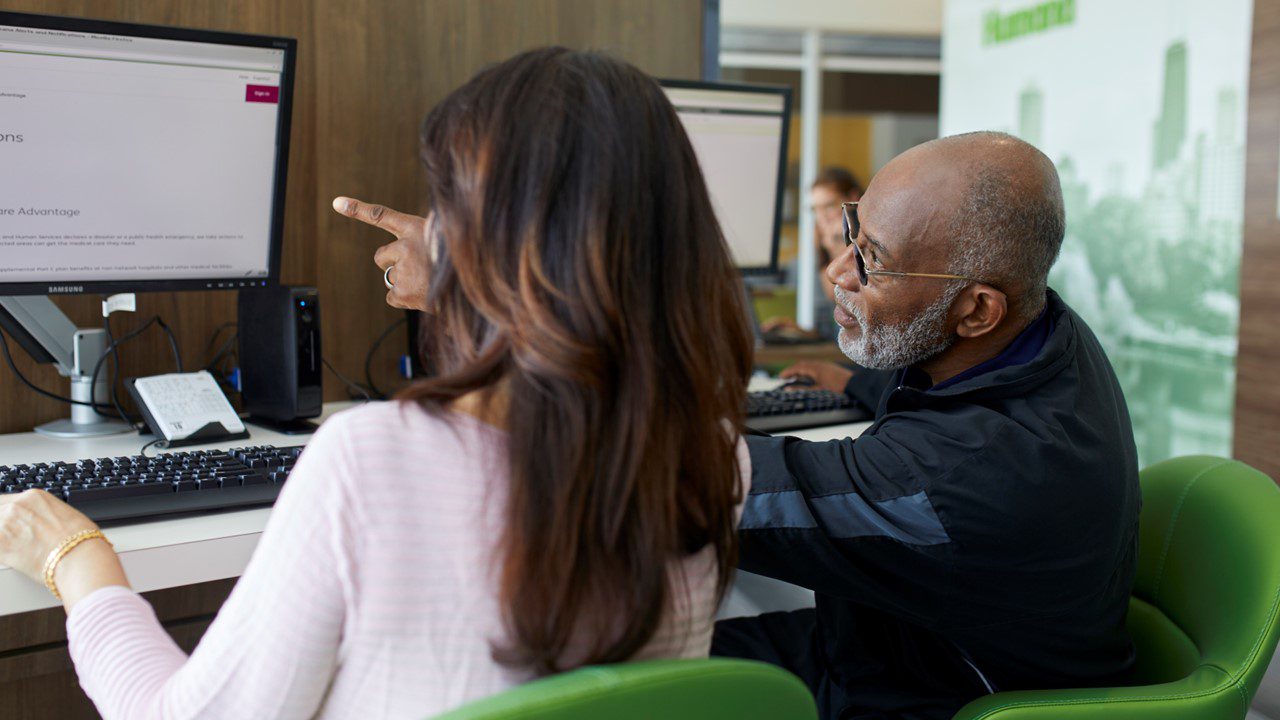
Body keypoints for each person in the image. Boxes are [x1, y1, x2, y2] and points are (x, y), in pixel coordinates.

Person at [0, 47, 755, 719]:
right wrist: (470, 283)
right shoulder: (713, 453)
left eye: (448, 203)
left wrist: (80, 560)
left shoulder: (375, 459)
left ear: (486, 240)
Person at [713, 131, 1141, 720]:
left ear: (976, 310)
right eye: (851, 234)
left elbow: (722, 493)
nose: (839, 272)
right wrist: (853, 383)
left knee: (625, 688)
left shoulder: (966, 476)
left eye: (873, 261)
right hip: (899, 638)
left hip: (931, 696)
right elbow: (942, 376)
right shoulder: (1045, 331)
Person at [761, 167, 864, 342]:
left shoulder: (866, 241)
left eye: (829, 206)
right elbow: (837, 330)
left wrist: (835, 247)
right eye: (815, 209)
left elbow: (841, 295)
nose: (821, 217)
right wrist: (801, 333)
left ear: (853, 198)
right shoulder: (821, 247)